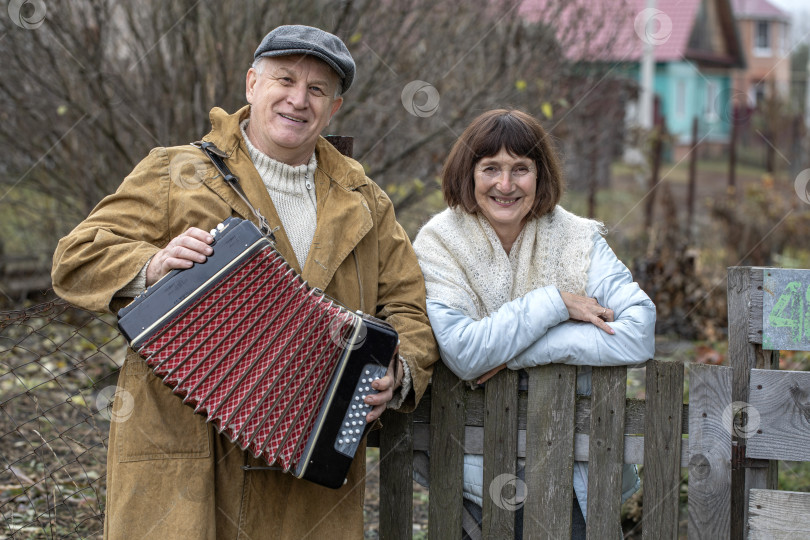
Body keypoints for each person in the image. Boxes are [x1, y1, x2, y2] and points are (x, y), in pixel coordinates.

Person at [51, 25, 438, 540]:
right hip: (187, 464)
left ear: (334, 108)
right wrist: (152, 267)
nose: (298, 100)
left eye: (317, 89)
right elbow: (76, 257)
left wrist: (398, 371)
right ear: (252, 84)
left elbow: (409, 308)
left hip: (307, 473)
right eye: (285, 79)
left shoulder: (365, 200)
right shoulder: (177, 170)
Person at [413, 109, 655, 539]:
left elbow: (638, 335)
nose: (505, 185)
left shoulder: (578, 240)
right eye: (490, 169)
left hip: (577, 464)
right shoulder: (440, 243)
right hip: (474, 469)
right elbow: (467, 355)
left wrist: (519, 352)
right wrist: (555, 304)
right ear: (468, 174)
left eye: (520, 169)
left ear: (540, 176)